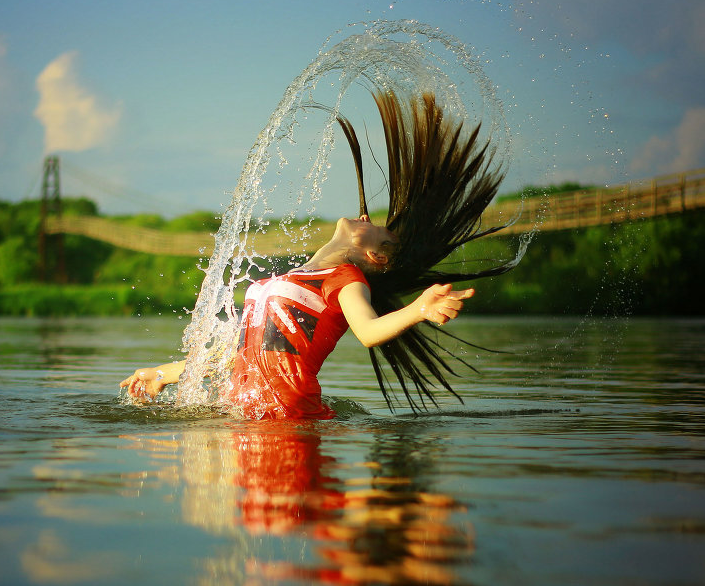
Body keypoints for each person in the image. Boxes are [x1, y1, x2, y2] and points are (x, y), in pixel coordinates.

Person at [121, 91, 517, 417]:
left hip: (288, 420)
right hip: (252, 418)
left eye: (379, 228)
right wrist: (163, 374)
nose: (366, 216)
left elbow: (367, 332)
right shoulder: (295, 278)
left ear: (376, 257)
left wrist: (419, 309)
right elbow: (237, 355)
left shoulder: (348, 281)